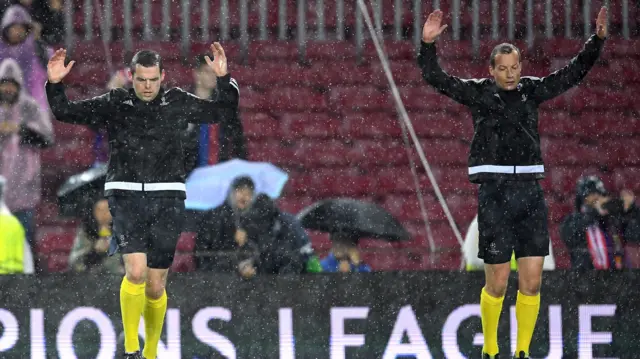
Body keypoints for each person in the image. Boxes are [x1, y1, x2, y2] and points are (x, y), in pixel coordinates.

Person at [417, 7, 607, 359]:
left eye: (514, 68)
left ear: (521, 67)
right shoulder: (478, 94)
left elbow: (573, 73)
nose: (509, 74)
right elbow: (436, 78)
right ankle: (490, 349)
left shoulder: (532, 91)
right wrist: (427, 44)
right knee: (498, 283)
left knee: (533, 283)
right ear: (490, 71)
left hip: (530, 195)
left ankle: (521, 352)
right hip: (494, 195)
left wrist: (596, 41)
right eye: (502, 69)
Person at [45, 42, 239, 359]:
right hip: (125, 193)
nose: (147, 86)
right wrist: (54, 84)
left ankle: (150, 352)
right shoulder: (116, 101)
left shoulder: (177, 100)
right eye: (141, 80)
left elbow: (222, 111)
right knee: (135, 272)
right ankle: (132, 348)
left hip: (168, 196)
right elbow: (66, 111)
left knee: (156, 285)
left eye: (152, 79)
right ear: (131, 77)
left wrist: (223, 78)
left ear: (162, 77)